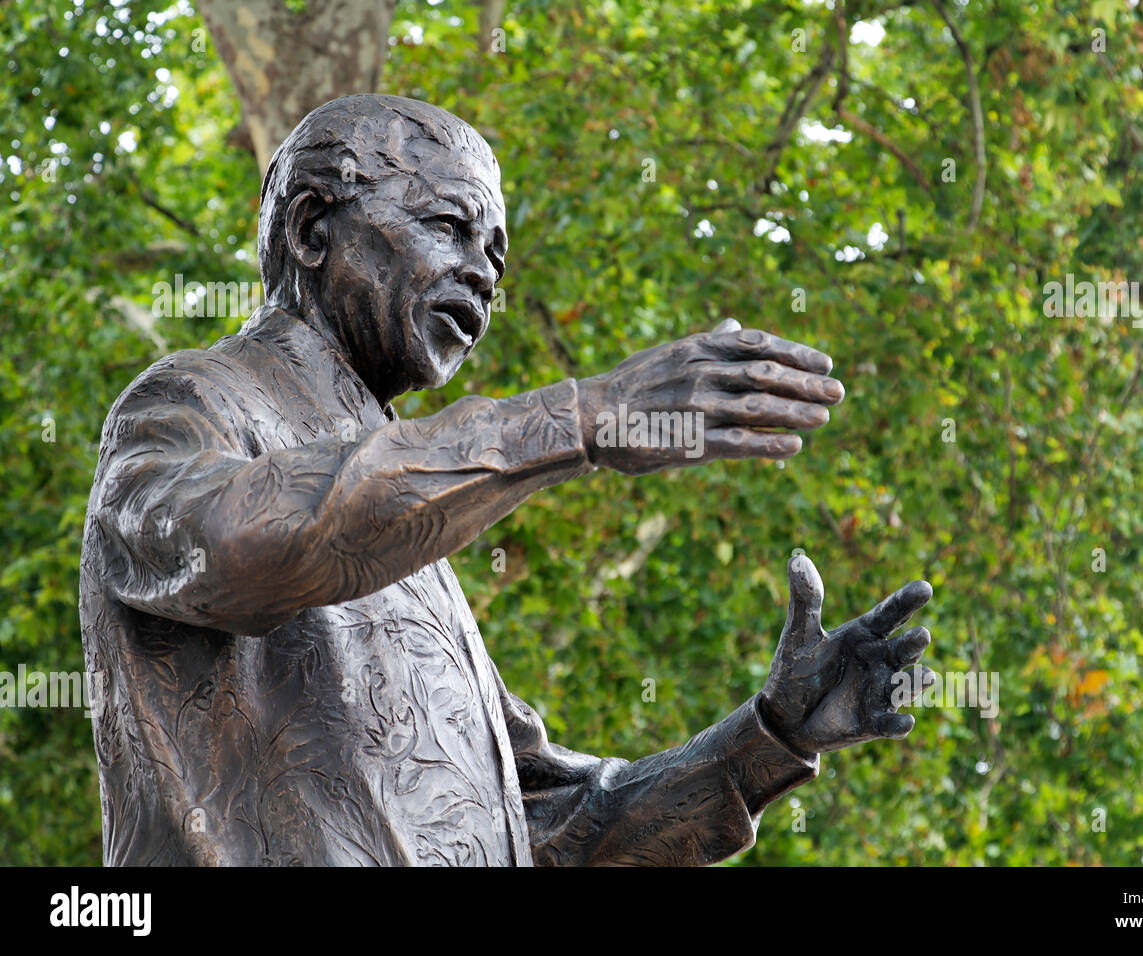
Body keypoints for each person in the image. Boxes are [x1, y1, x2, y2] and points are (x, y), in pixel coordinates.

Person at [79, 94, 935, 866]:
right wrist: (584, 416)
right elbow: (241, 547)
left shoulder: (417, 525)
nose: (485, 275)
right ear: (310, 228)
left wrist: (773, 735)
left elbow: (562, 829)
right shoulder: (191, 403)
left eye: (497, 254)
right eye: (449, 227)